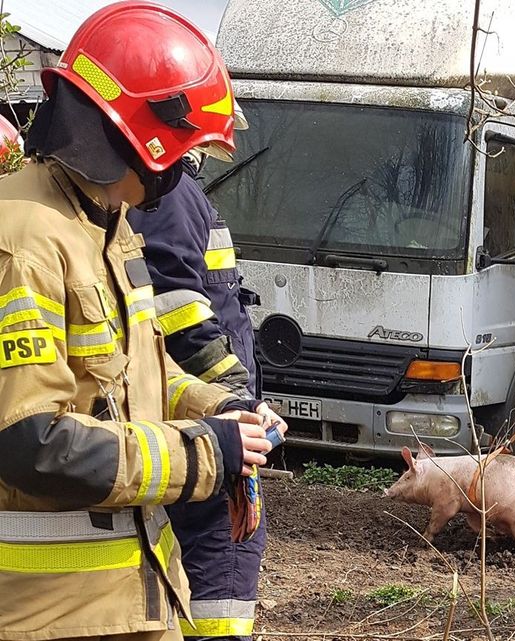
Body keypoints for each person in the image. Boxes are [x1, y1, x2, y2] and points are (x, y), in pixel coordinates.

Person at [0, 3, 276, 640]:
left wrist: (219, 409)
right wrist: (204, 453)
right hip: (48, 615)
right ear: (143, 136)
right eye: (186, 150)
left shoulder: (101, 227)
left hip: (130, 599)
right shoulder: (28, 241)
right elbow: (33, 444)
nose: (184, 170)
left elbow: (129, 385)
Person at [127, 132, 279, 641]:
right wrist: (237, 402)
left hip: (199, 423)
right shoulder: (167, 195)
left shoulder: (172, 193)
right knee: (222, 568)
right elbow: (177, 310)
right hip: (204, 433)